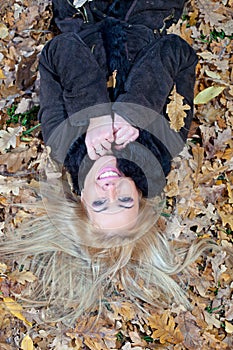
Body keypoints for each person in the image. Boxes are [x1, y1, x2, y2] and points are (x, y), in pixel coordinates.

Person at [0, 0, 219, 325]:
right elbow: (179, 53)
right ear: (140, 192)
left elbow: (55, 53)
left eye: (102, 203)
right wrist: (135, 110)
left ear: (81, 199)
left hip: (81, 9)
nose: (110, 188)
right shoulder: (163, 142)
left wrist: (96, 115)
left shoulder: (63, 141)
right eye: (125, 199)